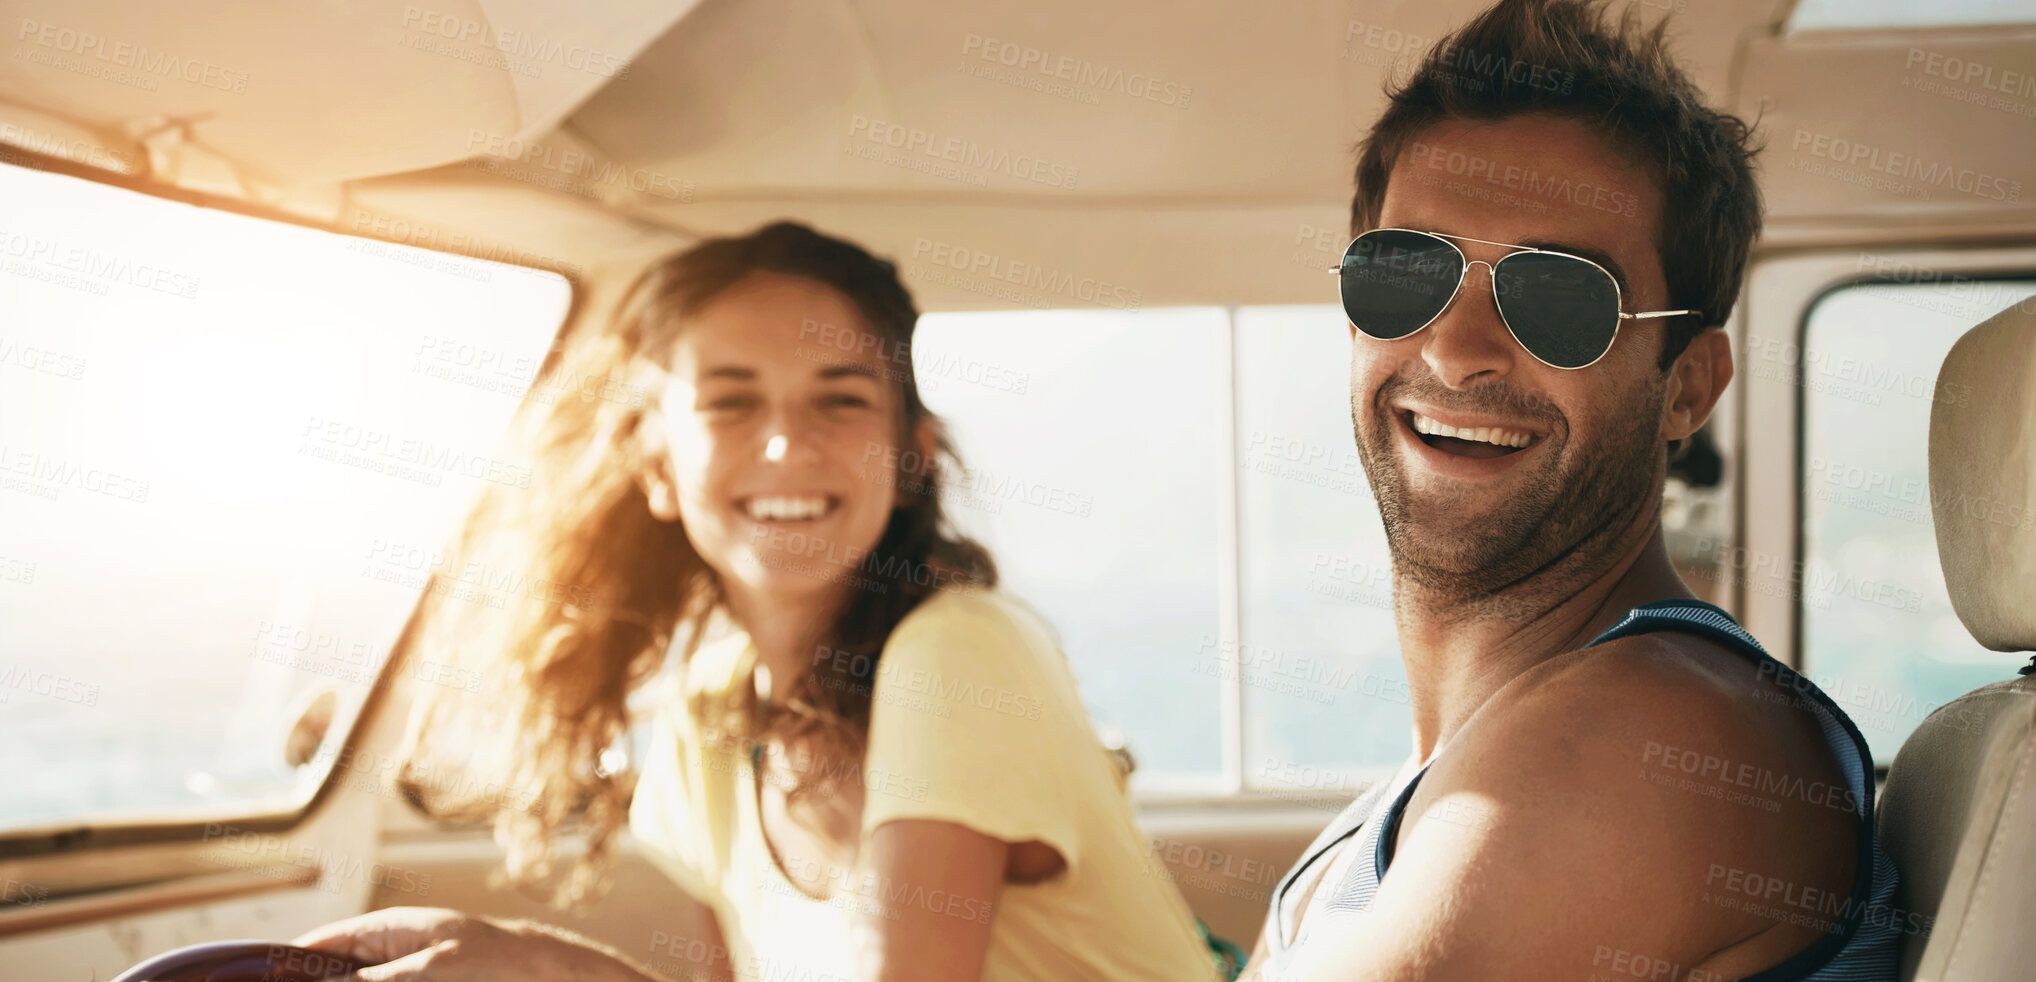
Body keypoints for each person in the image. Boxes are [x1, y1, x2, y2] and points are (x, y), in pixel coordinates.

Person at [297, 222, 1220, 982]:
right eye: (731, 404)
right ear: (657, 467)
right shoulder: (711, 705)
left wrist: (551, 970)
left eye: (842, 401)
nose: (787, 447)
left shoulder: (960, 652)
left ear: (913, 456)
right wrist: (523, 961)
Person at [1244, 2, 1902, 980]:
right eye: (1403, 272)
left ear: (1685, 383)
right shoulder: (1449, 771)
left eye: (1558, 296)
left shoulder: (1655, 734)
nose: (1455, 352)